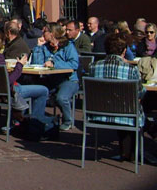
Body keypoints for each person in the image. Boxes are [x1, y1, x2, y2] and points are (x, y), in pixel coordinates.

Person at [0, 30, 53, 129]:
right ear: (2, 43)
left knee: (18, 86)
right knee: (43, 90)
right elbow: (8, 81)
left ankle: (21, 118)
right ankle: (34, 124)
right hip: (1, 92)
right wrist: (20, 65)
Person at [86, 33, 145, 163]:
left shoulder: (93, 67)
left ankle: (126, 152)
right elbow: (140, 92)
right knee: (132, 105)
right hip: (125, 114)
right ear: (124, 51)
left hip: (97, 113)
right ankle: (133, 153)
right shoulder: (130, 70)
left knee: (123, 104)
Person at [30, 23, 80, 131]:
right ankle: (36, 119)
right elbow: (37, 64)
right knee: (35, 90)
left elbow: (74, 64)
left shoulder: (68, 46)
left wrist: (54, 64)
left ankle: (68, 121)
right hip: (51, 79)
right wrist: (38, 48)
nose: (42, 33)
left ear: (52, 34)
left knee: (61, 98)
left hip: (68, 79)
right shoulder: (45, 47)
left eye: (45, 31)